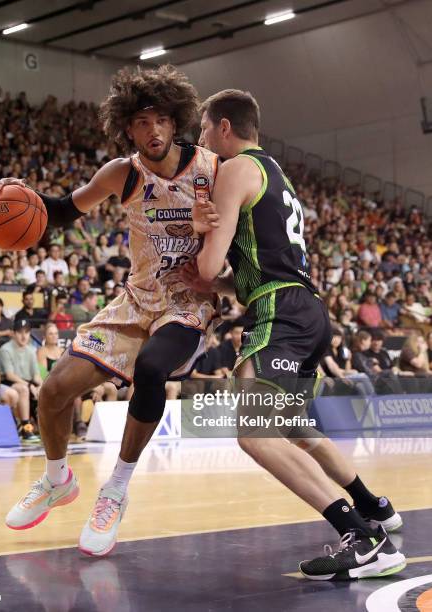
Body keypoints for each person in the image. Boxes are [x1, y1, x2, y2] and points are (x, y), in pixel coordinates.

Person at [0, 65, 220, 556]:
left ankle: (115, 489)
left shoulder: (211, 169)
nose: (151, 130)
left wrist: (210, 246)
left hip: (187, 302)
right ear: (126, 128)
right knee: (53, 391)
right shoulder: (122, 173)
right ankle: (56, 480)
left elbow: (237, 239)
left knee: (154, 368)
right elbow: (62, 211)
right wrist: (15, 195)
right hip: (134, 301)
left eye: (159, 120)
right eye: (139, 122)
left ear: (176, 123)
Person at [190, 89, 404, 580]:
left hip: (279, 313)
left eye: (204, 128)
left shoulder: (233, 169)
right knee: (296, 431)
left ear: (225, 127)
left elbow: (206, 266)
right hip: (304, 309)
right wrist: (224, 283)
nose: (200, 138)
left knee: (255, 435)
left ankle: (366, 538)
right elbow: (245, 270)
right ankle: (376, 508)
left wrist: (201, 234)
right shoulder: (275, 172)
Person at [37, 322, 87, 439]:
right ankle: (77, 424)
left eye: (56, 333)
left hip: (65, 383)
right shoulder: (42, 351)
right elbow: (43, 374)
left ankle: (79, 422)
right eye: (50, 334)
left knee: (75, 390)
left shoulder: (63, 351)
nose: (54, 336)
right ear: (45, 337)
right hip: (50, 383)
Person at [0, 319, 41, 442]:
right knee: (23, 389)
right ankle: (26, 427)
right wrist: (29, 386)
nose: (24, 336)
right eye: (20, 332)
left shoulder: (31, 350)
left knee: (44, 390)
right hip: (9, 382)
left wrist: (42, 386)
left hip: (27, 382)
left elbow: (36, 375)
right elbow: (10, 375)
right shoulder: (5, 349)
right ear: (13, 333)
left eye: (26, 332)